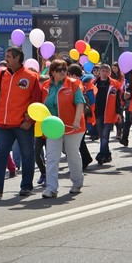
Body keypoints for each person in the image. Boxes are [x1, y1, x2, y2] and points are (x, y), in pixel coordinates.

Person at [0, 46, 42, 199]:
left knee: (27, 155)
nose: (6, 59)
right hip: (4, 124)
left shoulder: (31, 76)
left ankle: (26, 186)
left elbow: (37, 101)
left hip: (23, 124)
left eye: (9, 56)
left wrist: (29, 120)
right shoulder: (2, 75)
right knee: (0, 154)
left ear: (17, 58)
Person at [40, 59, 85, 198]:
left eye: (65, 70)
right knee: (52, 157)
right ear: (52, 72)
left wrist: (77, 120)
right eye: (59, 70)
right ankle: (51, 187)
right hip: (53, 127)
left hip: (72, 127)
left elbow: (80, 103)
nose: (63, 72)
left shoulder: (73, 84)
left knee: (72, 155)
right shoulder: (45, 86)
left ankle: (77, 182)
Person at [92, 64, 123, 166]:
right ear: (99, 72)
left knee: (105, 135)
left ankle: (101, 155)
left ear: (109, 73)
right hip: (98, 113)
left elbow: (118, 100)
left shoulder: (115, 84)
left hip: (109, 113)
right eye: (102, 71)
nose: (104, 73)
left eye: (106, 71)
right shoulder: (94, 83)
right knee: (102, 136)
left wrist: (119, 113)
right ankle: (107, 154)